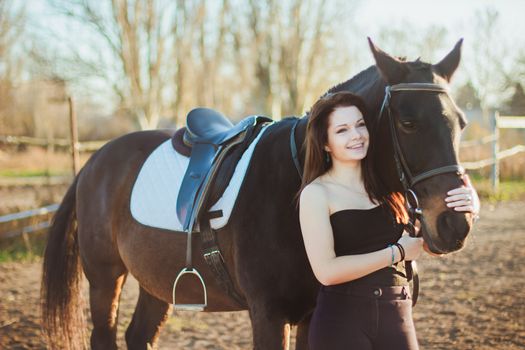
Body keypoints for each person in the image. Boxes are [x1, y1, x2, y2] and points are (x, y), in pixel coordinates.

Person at [297, 91, 480, 349]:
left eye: (361, 125)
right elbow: (326, 272)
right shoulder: (316, 193)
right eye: (342, 130)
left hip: (397, 315)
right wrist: (396, 253)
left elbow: (428, 246)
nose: (356, 135)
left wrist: (470, 207)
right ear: (325, 143)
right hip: (341, 322)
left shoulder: (391, 189)